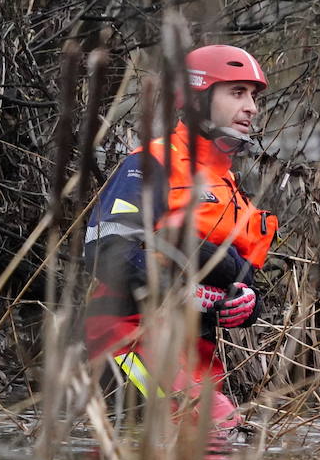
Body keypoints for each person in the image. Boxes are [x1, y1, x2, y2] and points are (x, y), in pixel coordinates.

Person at [83, 44, 278, 431]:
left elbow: (242, 278)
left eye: (253, 97)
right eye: (237, 93)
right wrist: (179, 288)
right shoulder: (151, 164)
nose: (252, 108)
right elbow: (104, 250)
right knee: (215, 429)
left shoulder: (230, 188)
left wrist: (246, 303)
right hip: (128, 333)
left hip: (195, 353)